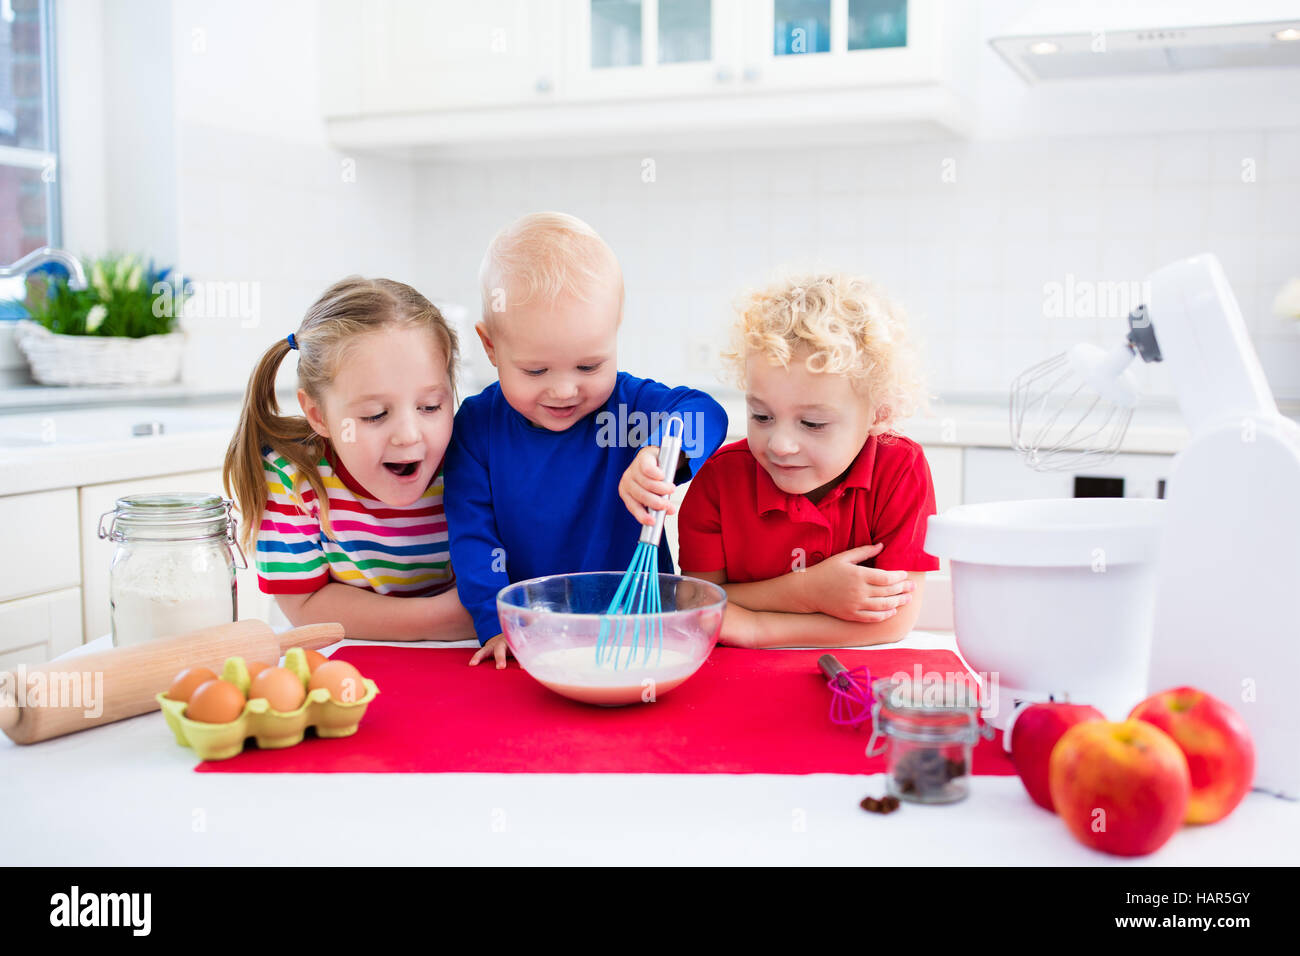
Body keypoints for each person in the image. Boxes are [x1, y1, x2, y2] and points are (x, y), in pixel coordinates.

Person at [445, 212, 728, 668]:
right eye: (535, 371)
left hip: (643, 631)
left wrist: (660, 450)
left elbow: (706, 413)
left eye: (589, 366)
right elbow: (473, 539)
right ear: (491, 347)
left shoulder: (631, 410)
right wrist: (495, 622)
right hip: (537, 636)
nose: (564, 390)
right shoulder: (477, 427)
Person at [677, 270, 938, 648]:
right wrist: (807, 592)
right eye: (762, 416)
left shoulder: (901, 469)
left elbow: (893, 622)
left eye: (813, 423)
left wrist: (754, 626)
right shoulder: (720, 480)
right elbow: (693, 603)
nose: (780, 444)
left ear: (878, 414)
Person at [223, 276, 474, 641]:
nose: (408, 434)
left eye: (430, 406)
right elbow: (305, 606)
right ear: (319, 415)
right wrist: (447, 617)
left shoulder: (473, 459)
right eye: (374, 414)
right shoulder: (292, 476)